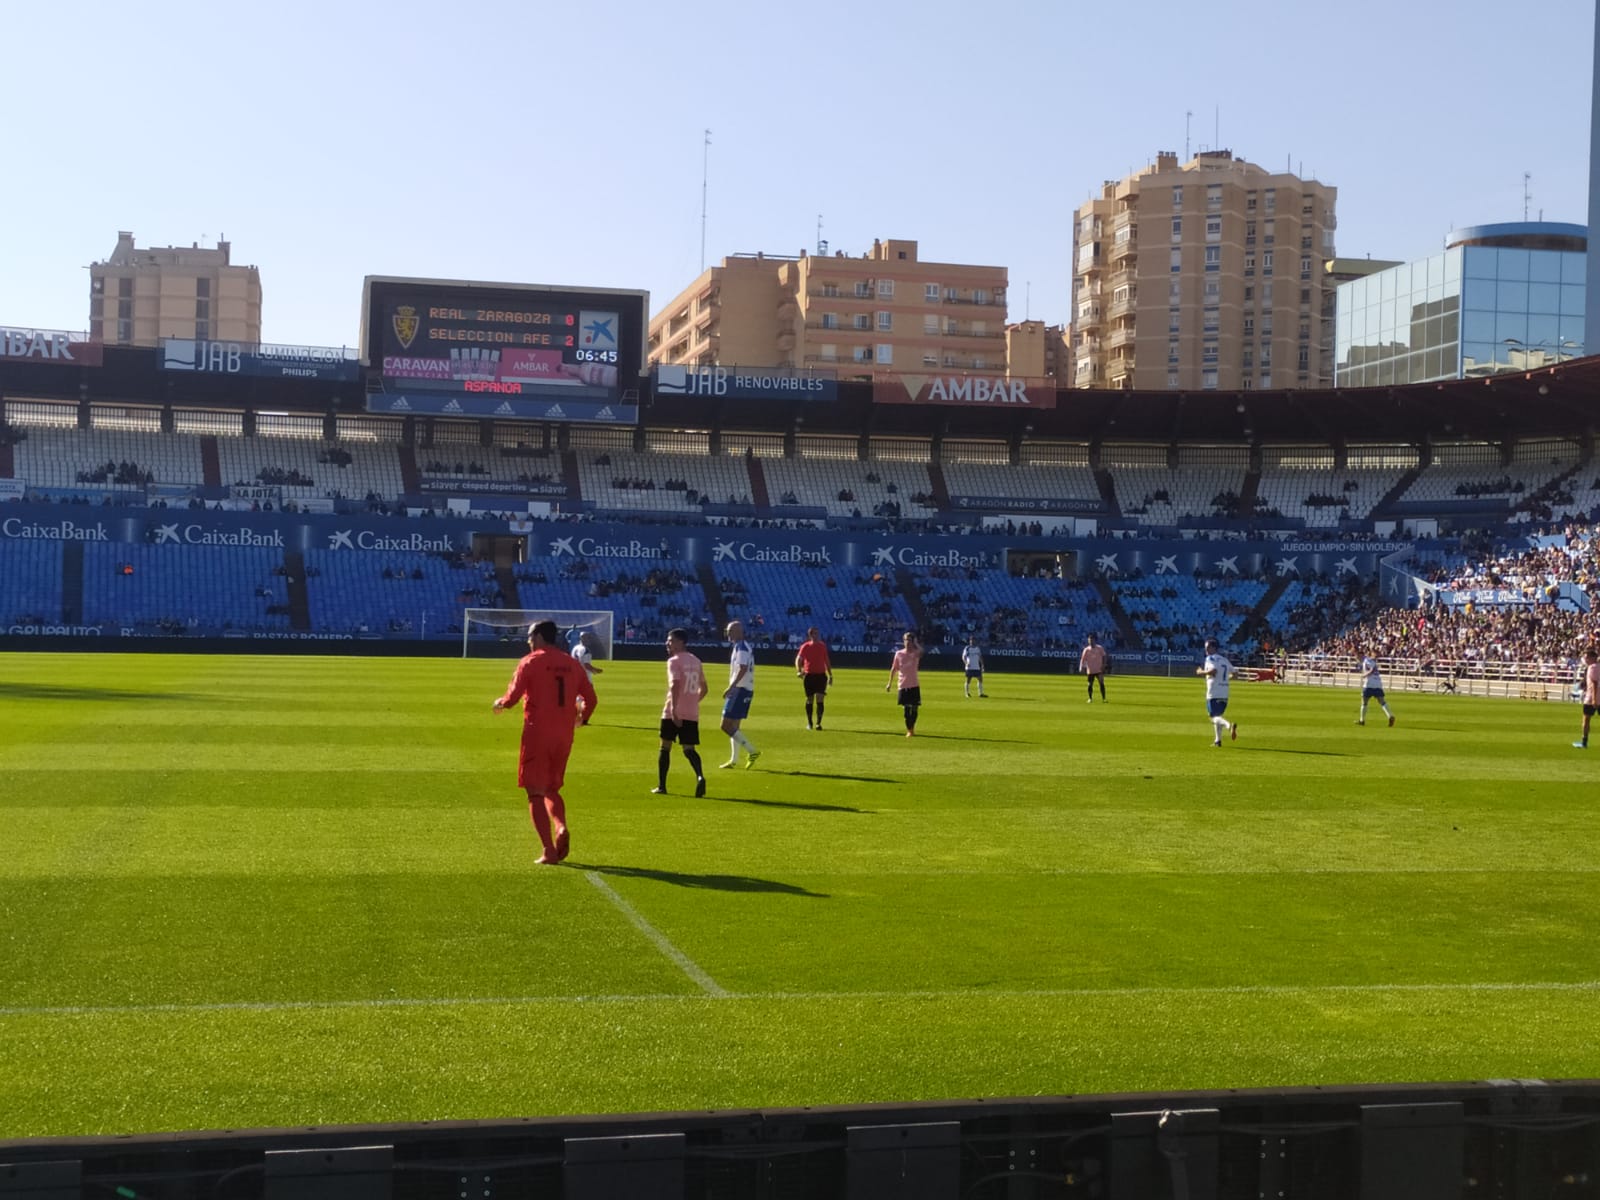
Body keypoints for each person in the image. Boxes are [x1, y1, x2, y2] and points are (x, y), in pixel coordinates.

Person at [492, 620, 597, 865]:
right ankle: (560, 827)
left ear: (538, 636)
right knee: (552, 788)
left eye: (530, 636)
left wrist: (501, 703)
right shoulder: (571, 664)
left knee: (534, 792)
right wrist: (582, 719)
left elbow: (513, 697)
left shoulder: (531, 661)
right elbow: (591, 698)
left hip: (537, 733)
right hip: (563, 735)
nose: (528, 641)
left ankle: (549, 850)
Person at [655, 628, 709, 795]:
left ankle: (662, 786)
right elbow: (705, 689)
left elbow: (675, 684)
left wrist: (674, 709)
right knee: (689, 749)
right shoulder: (696, 661)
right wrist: (692, 701)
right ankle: (700, 776)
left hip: (673, 712)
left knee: (665, 747)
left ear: (680, 642)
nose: (667, 643)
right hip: (691, 712)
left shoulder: (674, 661)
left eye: (670, 640)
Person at [719, 618, 761, 768]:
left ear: (738, 631)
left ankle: (752, 750)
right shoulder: (742, 646)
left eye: (730, 631)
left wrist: (731, 686)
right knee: (735, 727)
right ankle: (734, 760)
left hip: (740, 690)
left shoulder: (741, 648)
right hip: (746, 689)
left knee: (725, 725)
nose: (727, 634)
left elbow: (742, 668)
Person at [1196, 637, 1238, 747]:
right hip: (1224, 691)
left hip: (1214, 691)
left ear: (1214, 648)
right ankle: (1217, 741)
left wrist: (1201, 672)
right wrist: (1225, 679)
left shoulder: (1210, 659)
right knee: (1218, 716)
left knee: (1213, 717)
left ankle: (1229, 725)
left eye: (1207, 648)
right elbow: (1235, 674)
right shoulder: (1224, 659)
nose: (1206, 651)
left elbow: (1213, 671)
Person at [885, 631, 924, 737]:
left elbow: (922, 652)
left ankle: (912, 729)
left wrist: (916, 643)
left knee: (915, 709)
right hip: (903, 685)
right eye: (906, 640)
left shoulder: (915, 653)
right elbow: (894, 669)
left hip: (914, 685)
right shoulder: (899, 654)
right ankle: (909, 730)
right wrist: (889, 683)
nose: (907, 642)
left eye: (910, 640)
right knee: (906, 711)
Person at [794, 626, 833, 730]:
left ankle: (818, 723)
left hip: (821, 676)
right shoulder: (805, 647)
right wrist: (798, 671)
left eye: (817, 634)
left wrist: (830, 674)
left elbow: (826, 660)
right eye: (814, 634)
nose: (816, 636)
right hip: (809, 676)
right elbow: (798, 659)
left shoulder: (822, 646)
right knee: (809, 699)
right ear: (810, 635)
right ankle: (810, 722)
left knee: (820, 699)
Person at [1356, 653, 1395, 727]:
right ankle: (1390, 715)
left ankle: (1362, 720)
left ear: (1361, 655)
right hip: (1378, 684)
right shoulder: (1370, 661)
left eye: (1357, 656)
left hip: (1369, 684)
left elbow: (1370, 671)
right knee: (1382, 701)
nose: (1356, 658)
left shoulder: (1366, 661)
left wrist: (1364, 675)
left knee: (1364, 702)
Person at [1576, 646, 1600, 749]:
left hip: (1591, 698)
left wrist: (1594, 699)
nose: (1585, 659)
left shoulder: (1592, 667)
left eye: (1587, 657)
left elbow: (1594, 683)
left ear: (1592, 658)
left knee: (1586, 720)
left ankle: (1584, 742)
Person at [1079, 633, 1108, 703]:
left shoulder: (1099, 648)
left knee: (1101, 683)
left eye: (1091, 640)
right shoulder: (1086, 650)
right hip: (1090, 670)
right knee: (1090, 684)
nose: (1090, 642)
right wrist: (1081, 667)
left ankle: (1104, 698)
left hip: (1099, 669)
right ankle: (1090, 698)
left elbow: (1104, 656)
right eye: (1089, 640)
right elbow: (1082, 659)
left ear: (1095, 640)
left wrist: (1104, 664)